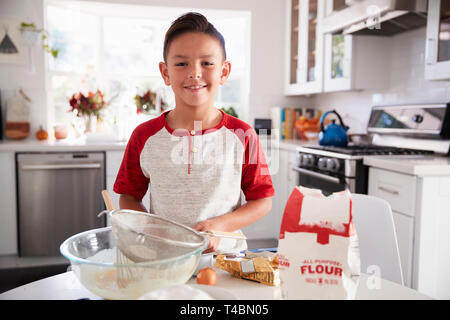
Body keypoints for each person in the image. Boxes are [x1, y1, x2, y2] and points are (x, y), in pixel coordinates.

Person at [114, 12, 274, 254]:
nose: (195, 72)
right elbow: (128, 197)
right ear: (166, 72)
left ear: (224, 72)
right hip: (164, 258)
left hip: (226, 260)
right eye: (181, 63)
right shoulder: (144, 136)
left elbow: (262, 201)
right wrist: (153, 228)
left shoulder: (244, 135)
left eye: (207, 63)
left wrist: (221, 225)